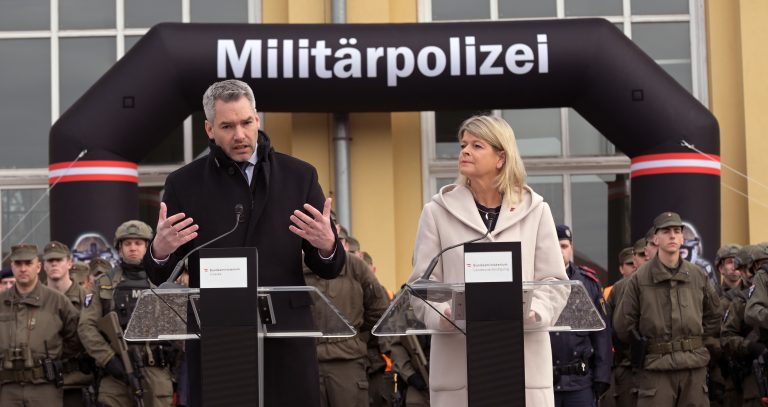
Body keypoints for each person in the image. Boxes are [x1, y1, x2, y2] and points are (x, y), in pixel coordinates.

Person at [143, 79, 345, 406]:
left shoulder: (299, 176)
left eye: (246, 122)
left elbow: (331, 267)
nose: (240, 134)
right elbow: (158, 273)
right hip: (218, 335)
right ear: (209, 129)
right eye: (227, 126)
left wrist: (327, 245)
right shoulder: (184, 184)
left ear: (257, 120)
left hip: (286, 335)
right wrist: (160, 251)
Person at [406, 114, 568, 406]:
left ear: (501, 158)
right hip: (460, 360)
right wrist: (442, 312)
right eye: (463, 144)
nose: (465, 151)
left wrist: (536, 311)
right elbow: (422, 284)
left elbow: (555, 282)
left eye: (477, 145)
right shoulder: (437, 212)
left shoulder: (535, 211)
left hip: (521, 360)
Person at [614, 211, 721, 407]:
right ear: (655, 238)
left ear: (682, 238)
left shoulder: (697, 275)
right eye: (666, 231)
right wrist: (645, 350)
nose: (672, 235)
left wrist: (696, 340)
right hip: (657, 370)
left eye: (676, 231)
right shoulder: (639, 278)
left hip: (693, 368)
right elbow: (623, 325)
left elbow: (714, 315)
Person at [79, 220, 176, 406]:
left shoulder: (164, 282)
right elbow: (86, 327)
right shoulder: (103, 283)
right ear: (119, 248)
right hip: (116, 373)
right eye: (127, 243)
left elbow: (180, 325)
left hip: (156, 372)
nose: (133, 248)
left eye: (138, 243)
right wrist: (108, 359)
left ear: (148, 246)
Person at [304, 246, 389, 406]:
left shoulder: (355, 266)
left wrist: (356, 338)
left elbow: (379, 313)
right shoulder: (296, 265)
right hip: (306, 362)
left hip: (348, 363)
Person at [0, 244, 81, 406]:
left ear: (38, 266)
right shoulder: (2, 301)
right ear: (12, 266)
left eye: (28, 263)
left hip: (44, 387)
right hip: (8, 388)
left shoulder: (57, 301)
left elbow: (76, 338)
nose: (23, 269)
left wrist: (53, 356)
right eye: (18, 264)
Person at [551, 224, 611, 406]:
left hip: (580, 383)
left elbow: (602, 333)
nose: (560, 251)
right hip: (545, 384)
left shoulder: (587, 283)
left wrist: (602, 376)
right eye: (555, 246)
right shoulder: (534, 283)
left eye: (564, 246)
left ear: (571, 249)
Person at [42, 241, 94, 407]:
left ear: (69, 263)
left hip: (77, 382)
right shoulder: (35, 299)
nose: (54, 264)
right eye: (50, 261)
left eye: (59, 259)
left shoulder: (87, 299)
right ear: (43, 265)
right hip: (41, 383)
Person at [602, 247, 639, 407]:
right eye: (629, 264)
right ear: (621, 268)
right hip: (617, 361)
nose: (634, 267)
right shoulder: (610, 291)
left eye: (635, 263)